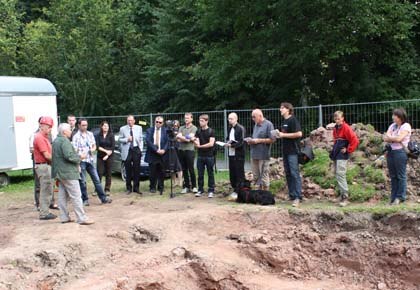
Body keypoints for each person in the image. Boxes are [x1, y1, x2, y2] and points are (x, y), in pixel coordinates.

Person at [52, 123, 94, 225]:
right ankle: (81, 218)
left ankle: (64, 217)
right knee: (76, 195)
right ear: (65, 132)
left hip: (60, 173)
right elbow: (69, 156)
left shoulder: (56, 141)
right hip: (68, 173)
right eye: (70, 130)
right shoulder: (64, 141)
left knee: (62, 196)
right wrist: (80, 157)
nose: (71, 131)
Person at [72, 118, 112, 205]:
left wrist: (92, 149)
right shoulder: (76, 137)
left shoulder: (90, 134)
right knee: (83, 181)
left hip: (90, 160)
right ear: (79, 125)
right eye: (83, 125)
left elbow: (94, 145)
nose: (85, 127)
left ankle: (103, 198)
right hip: (81, 161)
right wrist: (80, 155)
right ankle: (85, 199)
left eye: (86, 125)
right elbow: (74, 150)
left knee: (97, 179)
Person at [328, 111, 359, 207]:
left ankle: (345, 196)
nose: (337, 120)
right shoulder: (336, 129)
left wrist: (348, 149)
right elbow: (336, 141)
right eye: (335, 119)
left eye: (339, 118)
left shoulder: (346, 128)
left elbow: (355, 140)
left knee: (341, 174)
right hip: (336, 154)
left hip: (342, 155)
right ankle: (341, 195)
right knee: (337, 175)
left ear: (342, 118)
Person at [275, 102, 303, 207]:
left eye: (282, 108)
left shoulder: (293, 120)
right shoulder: (284, 122)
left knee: (294, 173)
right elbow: (284, 135)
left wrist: (283, 135)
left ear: (288, 109)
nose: (280, 110)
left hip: (293, 152)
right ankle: (292, 195)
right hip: (285, 151)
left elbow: (299, 134)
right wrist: (279, 135)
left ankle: (298, 197)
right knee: (288, 173)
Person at [383, 108, 412, 205]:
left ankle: (400, 197)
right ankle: (393, 197)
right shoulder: (392, 126)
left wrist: (392, 138)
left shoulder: (406, 126)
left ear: (400, 117)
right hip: (391, 152)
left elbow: (399, 138)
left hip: (400, 152)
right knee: (393, 176)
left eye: (394, 115)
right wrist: (393, 139)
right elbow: (385, 137)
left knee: (401, 175)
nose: (393, 117)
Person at [245, 109, 276, 191]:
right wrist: (251, 141)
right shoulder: (255, 125)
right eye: (252, 117)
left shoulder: (269, 124)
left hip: (263, 155)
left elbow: (273, 139)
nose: (253, 119)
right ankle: (257, 194)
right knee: (255, 176)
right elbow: (255, 138)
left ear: (260, 116)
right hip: (254, 154)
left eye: (254, 117)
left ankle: (266, 194)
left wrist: (259, 140)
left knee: (264, 175)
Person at [33, 116, 57, 220]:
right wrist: (58, 162)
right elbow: (47, 155)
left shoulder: (44, 137)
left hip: (45, 165)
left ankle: (45, 211)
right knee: (46, 189)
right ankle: (44, 213)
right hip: (43, 165)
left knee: (47, 189)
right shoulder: (39, 137)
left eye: (51, 127)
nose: (50, 129)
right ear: (43, 126)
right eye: (49, 127)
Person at [119, 115, 143, 194]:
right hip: (127, 150)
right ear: (127, 121)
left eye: (131, 120)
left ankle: (136, 188)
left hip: (136, 149)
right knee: (128, 170)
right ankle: (129, 188)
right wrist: (126, 139)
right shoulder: (122, 129)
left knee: (137, 169)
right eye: (128, 120)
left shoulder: (139, 128)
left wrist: (140, 150)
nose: (130, 122)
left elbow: (141, 139)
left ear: (134, 121)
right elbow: (119, 139)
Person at [145, 116, 169, 195]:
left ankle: (161, 187)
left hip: (163, 154)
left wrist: (164, 150)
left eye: (160, 122)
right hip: (152, 154)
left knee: (162, 171)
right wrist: (156, 150)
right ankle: (152, 187)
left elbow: (168, 142)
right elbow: (148, 141)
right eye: (157, 122)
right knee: (152, 172)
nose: (158, 123)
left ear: (162, 123)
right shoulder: (149, 130)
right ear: (154, 122)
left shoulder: (166, 131)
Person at [224, 112, 246, 200]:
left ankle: (239, 190)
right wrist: (227, 142)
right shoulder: (230, 128)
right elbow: (228, 138)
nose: (229, 120)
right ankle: (234, 189)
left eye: (231, 119)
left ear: (236, 119)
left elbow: (242, 142)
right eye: (229, 119)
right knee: (232, 172)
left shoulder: (240, 128)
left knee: (239, 173)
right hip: (231, 154)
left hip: (239, 154)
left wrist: (232, 145)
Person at [194, 114, 216, 198]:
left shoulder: (211, 131)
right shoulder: (198, 131)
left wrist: (200, 146)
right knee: (200, 174)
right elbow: (197, 141)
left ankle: (211, 190)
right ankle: (200, 189)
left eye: (202, 121)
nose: (200, 122)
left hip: (209, 156)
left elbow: (211, 143)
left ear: (207, 121)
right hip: (200, 155)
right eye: (199, 120)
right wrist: (194, 142)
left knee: (210, 173)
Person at [177, 113, 198, 194]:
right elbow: (178, 139)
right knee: (184, 169)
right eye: (185, 118)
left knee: (191, 169)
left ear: (191, 119)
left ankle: (194, 186)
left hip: (190, 150)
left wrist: (182, 137)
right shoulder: (181, 127)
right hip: (181, 150)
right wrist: (185, 138)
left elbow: (189, 139)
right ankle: (186, 186)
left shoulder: (194, 128)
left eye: (188, 118)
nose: (186, 119)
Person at [95, 121, 115, 194]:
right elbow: (97, 146)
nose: (105, 127)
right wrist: (105, 151)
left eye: (107, 126)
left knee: (108, 173)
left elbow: (113, 147)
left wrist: (107, 155)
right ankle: (97, 189)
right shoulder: (98, 135)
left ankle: (107, 189)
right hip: (100, 156)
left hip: (109, 156)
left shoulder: (111, 135)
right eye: (104, 126)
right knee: (99, 173)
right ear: (101, 127)